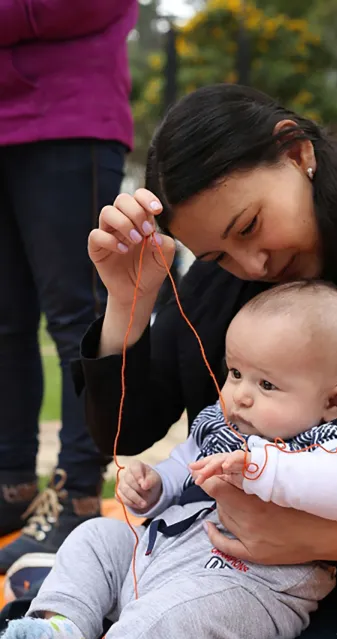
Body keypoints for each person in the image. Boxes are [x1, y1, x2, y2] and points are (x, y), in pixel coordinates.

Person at [10, 82, 337, 639]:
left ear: (297, 153)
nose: (253, 267)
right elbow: (126, 430)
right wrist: (127, 304)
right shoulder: (226, 287)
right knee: (96, 585)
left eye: (248, 227)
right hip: (207, 568)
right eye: (216, 256)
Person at [0, 282, 337, 639]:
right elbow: (186, 464)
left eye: (267, 384)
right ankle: (61, 632)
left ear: (334, 401)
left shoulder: (329, 445)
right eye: (235, 373)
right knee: (96, 538)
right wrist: (156, 484)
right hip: (166, 556)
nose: (242, 395)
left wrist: (266, 468)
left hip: (251, 588)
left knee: (160, 621)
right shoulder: (225, 424)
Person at [0, 0, 138, 573]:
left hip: (67, 116)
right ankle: (10, 484)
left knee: (78, 315)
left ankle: (78, 493)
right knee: (4, 323)